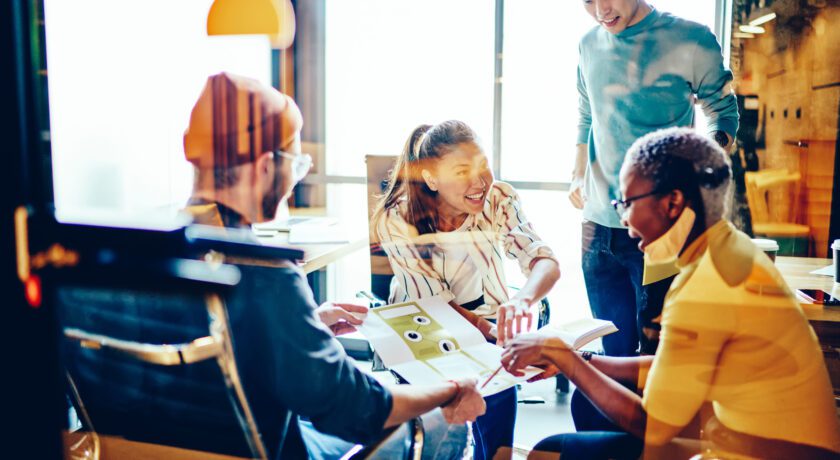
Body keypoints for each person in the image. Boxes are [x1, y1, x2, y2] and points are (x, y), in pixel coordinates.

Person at [181, 72, 487, 459]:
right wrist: (452, 388)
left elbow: (210, 348)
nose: (297, 177)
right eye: (296, 162)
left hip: (164, 446)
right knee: (446, 419)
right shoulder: (264, 272)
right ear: (262, 165)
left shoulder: (135, 254)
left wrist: (304, 325)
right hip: (277, 448)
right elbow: (353, 409)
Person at [503, 128, 840, 459]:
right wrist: (579, 360)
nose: (623, 219)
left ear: (673, 202)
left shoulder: (705, 284)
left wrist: (566, 359)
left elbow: (655, 429)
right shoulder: (729, 248)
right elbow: (674, 367)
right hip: (771, 444)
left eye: (626, 202)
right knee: (586, 407)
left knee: (550, 452)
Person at [373, 120, 561, 459]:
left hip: (488, 324)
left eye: (483, 166)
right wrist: (492, 331)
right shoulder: (398, 217)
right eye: (462, 171)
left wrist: (522, 300)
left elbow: (543, 260)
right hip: (425, 330)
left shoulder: (500, 198)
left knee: (496, 444)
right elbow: (435, 303)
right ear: (431, 178)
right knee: (439, 441)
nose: (479, 182)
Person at [571, 0, 740, 356]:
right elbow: (588, 114)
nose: (601, 9)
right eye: (587, 0)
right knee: (612, 352)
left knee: (659, 352)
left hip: (660, 228)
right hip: (597, 224)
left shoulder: (691, 39)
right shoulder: (588, 44)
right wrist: (576, 175)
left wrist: (700, 168)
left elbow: (722, 113)